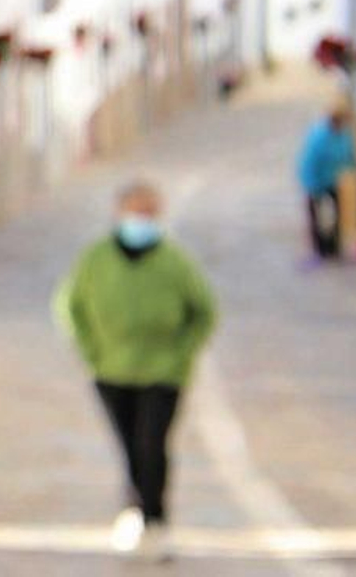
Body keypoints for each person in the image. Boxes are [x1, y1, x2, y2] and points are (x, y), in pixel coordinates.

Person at [54, 181, 218, 560]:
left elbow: (204, 311)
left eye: (148, 213)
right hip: (111, 370)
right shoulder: (96, 259)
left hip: (163, 372)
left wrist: (182, 354)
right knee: (129, 445)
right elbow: (69, 305)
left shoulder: (174, 262)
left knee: (152, 444)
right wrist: (91, 351)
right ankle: (136, 511)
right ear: (119, 213)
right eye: (135, 212)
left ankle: (156, 519)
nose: (141, 220)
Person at [296, 106, 356, 260]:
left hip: (330, 179)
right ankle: (319, 249)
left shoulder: (344, 135)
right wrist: (313, 187)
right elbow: (310, 163)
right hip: (313, 180)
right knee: (316, 216)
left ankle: (333, 247)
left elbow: (350, 156)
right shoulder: (318, 137)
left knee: (336, 213)